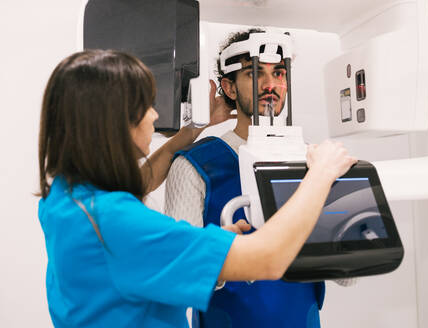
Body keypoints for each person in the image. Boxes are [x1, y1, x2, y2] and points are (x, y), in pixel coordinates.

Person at [37, 49, 356, 328]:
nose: (155, 115)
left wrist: (190, 132)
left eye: (279, 72)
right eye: (146, 104)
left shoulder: (64, 197)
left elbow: (348, 271)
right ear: (111, 120)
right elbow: (268, 259)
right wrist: (320, 176)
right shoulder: (123, 220)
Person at [164, 29, 352, 328]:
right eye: (254, 73)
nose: (270, 85)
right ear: (230, 87)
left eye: (279, 73)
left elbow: (349, 276)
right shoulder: (195, 166)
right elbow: (179, 275)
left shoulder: (315, 164)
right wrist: (224, 260)